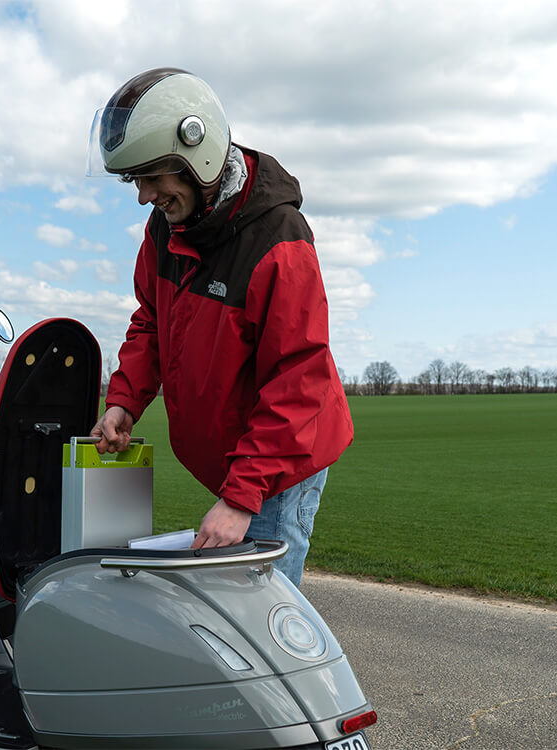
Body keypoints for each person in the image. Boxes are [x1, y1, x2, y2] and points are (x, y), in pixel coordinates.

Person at [87, 68, 353, 586]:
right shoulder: (168, 227)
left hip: (281, 464)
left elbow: (297, 380)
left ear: (197, 154)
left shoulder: (278, 242)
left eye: (150, 177)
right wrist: (124, 401)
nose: (144, 196)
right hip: (241, 461)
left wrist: (240, 497)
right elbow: (151, 321)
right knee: (233, 609)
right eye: (133, 180)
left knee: (263, 615)